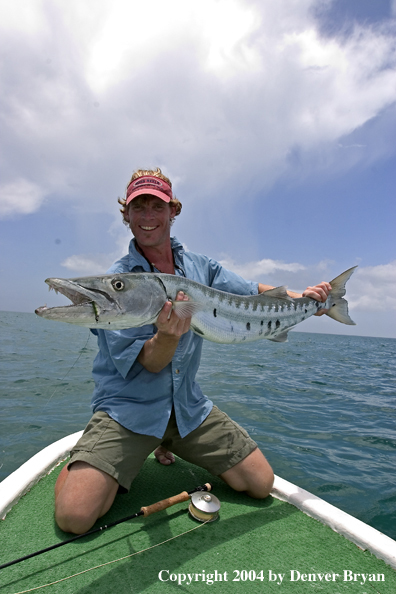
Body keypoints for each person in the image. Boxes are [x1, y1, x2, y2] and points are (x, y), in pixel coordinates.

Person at [55, 168, 331, 534]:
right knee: (75, 517)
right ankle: (86, 461)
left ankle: (164, 441)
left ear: (173, 212)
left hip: (187, 407)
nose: (148, 216)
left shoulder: (202, 268)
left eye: (157, 206)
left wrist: (306, 298)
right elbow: (152, 363)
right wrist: (167, 336)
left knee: (260, 484)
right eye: (139, 208)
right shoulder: (119, 287)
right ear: (127, 215)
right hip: (128, 411)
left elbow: (252, 289)